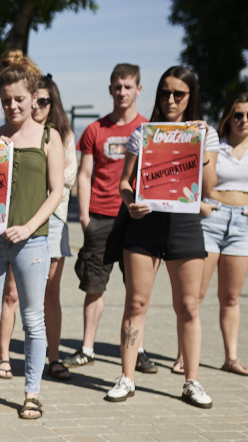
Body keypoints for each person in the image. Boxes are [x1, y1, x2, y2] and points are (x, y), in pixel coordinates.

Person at [0, 53, 63, 419]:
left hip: (32, 241)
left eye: (19, 98)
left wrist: (29, 227)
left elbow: (56, 192)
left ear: (34, 97)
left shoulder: (50, 137)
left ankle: (31, 392)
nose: (12, 105)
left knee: (33, 320)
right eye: (6, 100)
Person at [108, 66, 219, 408]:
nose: (170, 99)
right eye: (164, 93)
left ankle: (191, 381)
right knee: (136, 303)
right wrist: (131, 203)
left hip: (185, 225)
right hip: (144, 224)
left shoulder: (206, 135)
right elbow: (125, 183)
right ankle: (127, 378)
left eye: (179, 94)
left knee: (187, 306)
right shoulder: (143, 133)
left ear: (191, 97)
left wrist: (198, 145)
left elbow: (211, 188)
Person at [172, 93, 248, 377]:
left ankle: (231, 357)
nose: (244, 121)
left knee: (230, 297)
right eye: (238, 114)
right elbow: (190, 179)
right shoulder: (214, 144)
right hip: (211, 219)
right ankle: (183, 356)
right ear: (228, 116)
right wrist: (200, 206)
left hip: (244, 225)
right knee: (196, 295)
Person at [65, 64, 159, 374]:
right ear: (110, 89)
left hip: (136, 218)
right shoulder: (95, 130)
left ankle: (139, 350)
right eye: (117, 86)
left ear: (138, 90)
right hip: (101, 218)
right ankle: (87, 348)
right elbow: (85, 173)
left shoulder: (149, 129)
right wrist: (83, 216)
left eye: (128, 86)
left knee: (137, 291)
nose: (122, 92)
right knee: (94, 286)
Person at [0, 73, 77, 382]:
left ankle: (52, 358)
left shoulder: (59, 135)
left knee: (47, 295)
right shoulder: (7, 134)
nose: (37, 105)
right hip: (20, 221)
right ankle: (3, 356)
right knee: (11, 292)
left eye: (44, 101)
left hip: (54, 222)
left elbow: (65, 180)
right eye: (34, 99)